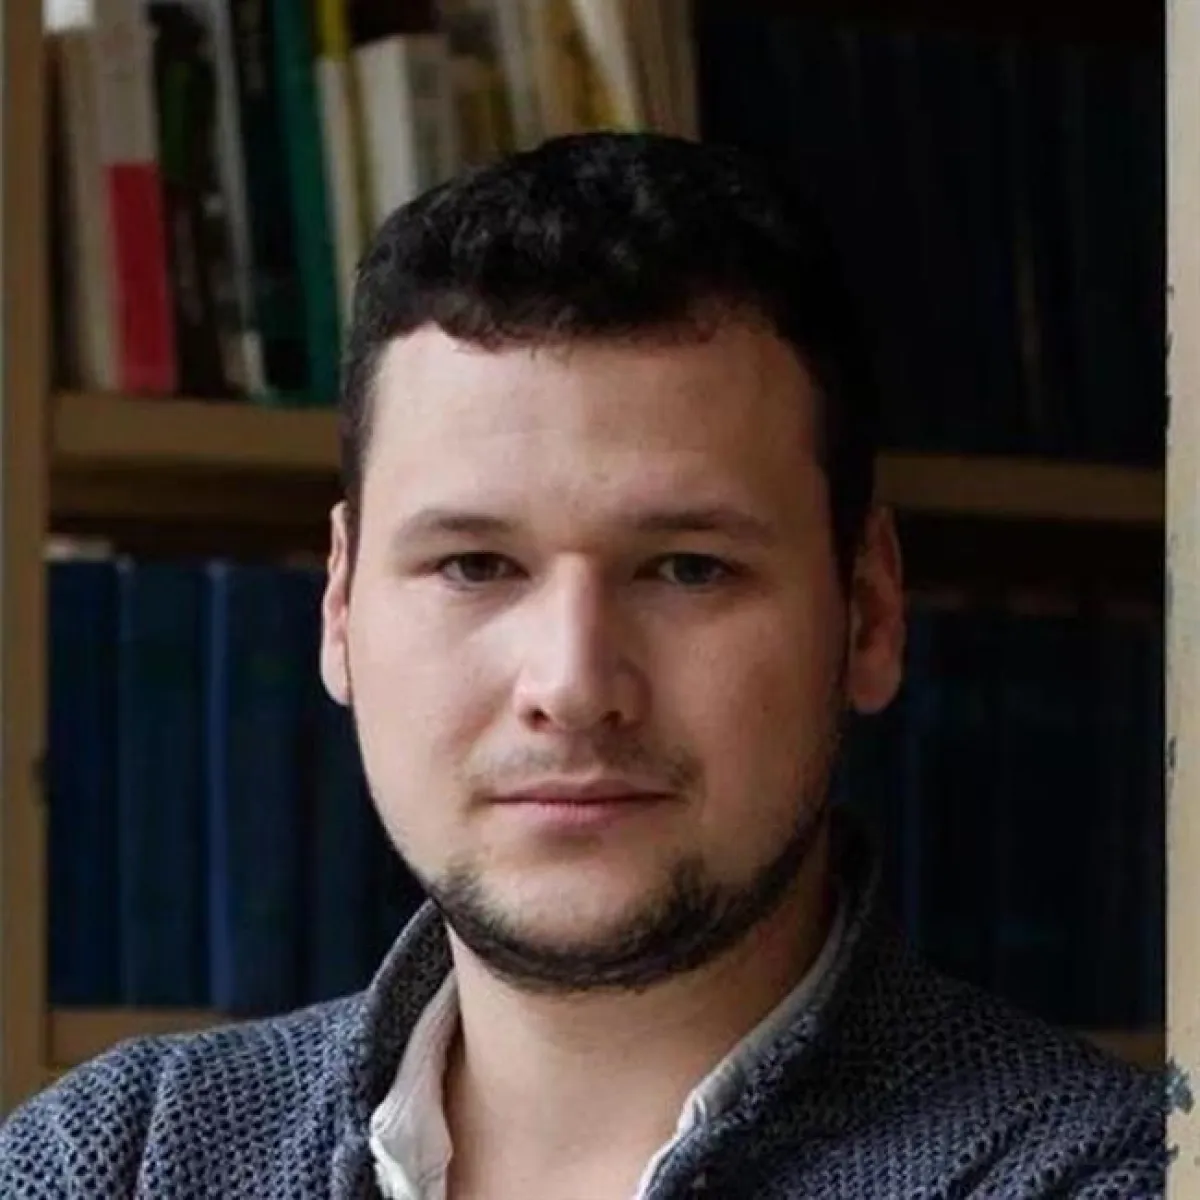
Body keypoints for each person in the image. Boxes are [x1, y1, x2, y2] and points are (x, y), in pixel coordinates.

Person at [0, 131, 1164, 1199]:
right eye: (473, 565)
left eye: (689, 568)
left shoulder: (1103, 1180)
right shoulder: (114, 1161)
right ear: (340, 606)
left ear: (868, 614)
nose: (571, 684)